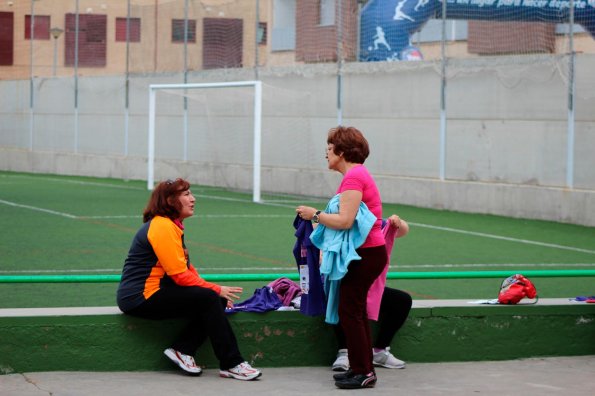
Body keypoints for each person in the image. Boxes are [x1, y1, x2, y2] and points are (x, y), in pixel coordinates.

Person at [116, 178, 261, 381]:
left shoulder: (172, 226)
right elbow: (180, 276)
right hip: (141, 297)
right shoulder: (162, 226)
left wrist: (214, 292)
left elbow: (186, 269)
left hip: (154, 292)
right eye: (186, 195)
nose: (193, 199)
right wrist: (215, 289)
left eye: (190, 194)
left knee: (213, 300)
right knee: (211, 298)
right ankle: (232, 363)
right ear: (169, 200)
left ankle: (182, 350)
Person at [296, 126, 386, 389]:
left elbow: (345, 221)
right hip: (366, 253)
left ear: (342, 151)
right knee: (353, 311)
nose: (326, 153)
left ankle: (363, 371)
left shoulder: (354, 177)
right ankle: (361, 368)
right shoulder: (355, 175)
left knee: (351, 312)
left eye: (329, 147)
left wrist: (314, 215)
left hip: (366, 254)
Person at [332, 214, 413, 372]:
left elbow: (402, 230)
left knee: (402, 300)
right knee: (340, 299)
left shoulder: (372, 224)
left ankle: (380, 351)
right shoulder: (340, 223)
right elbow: (317, 229)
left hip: (368, 288)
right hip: (343, 285)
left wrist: (398, 221)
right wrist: (315, 216)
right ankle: (344, 351)